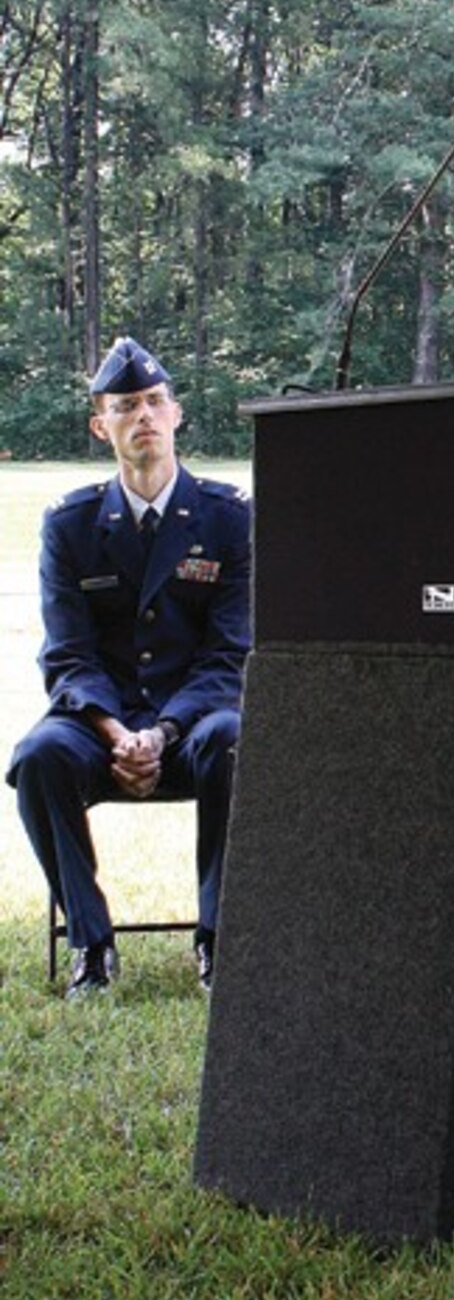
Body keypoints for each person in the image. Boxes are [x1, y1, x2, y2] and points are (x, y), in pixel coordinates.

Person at [7, 338, 252, 998]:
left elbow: (230, 654)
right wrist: (119, 734)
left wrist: (162, 733)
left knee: (235, 742)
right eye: (125, 406)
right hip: (101, 727)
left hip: (196, 724)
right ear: (101, 426)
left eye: (153, 402)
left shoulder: (230, 519)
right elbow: (68, 656)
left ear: (176, 415)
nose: (143, 415)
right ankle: (90, 943)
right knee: (37, 757)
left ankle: (219, 937)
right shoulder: (71, 524)